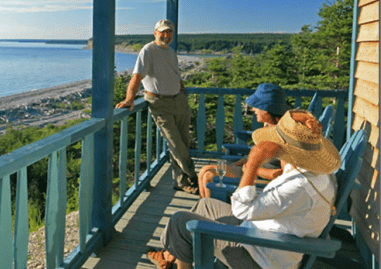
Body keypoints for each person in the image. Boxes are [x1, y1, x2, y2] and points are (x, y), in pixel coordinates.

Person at [146, 109, 340, 269]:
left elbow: (242, 210)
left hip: (259, 257)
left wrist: (254, 162)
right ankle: (170, 254)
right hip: (262, 234)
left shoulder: (298, 187)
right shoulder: (317, 172)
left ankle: (177, 259)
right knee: (205, 205)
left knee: (179, 221)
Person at [115, 19, 197, 194]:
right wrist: (130, 98)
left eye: (169, 32)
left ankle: (181, 181)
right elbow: (136, 76)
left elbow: (176, 75)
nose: (166, 36)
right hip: (160, 103)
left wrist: (181, 92)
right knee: (175, 143)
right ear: (155, 33)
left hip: (179, 101)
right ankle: (194, 176)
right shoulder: (148, 50)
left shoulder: (171, 52)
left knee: (184, 141)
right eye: (163, 32)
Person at [198, 83, 290, 198]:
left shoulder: (283, 135)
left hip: (260, 181)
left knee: (208, 175)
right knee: (203, 171)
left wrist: (252, 169)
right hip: (251, 171)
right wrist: (237, 164)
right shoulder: (268, 125)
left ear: (266, 110)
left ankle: (209, 208)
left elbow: (284, 174)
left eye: (256, 106)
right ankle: (205, 205)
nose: (253, 109)